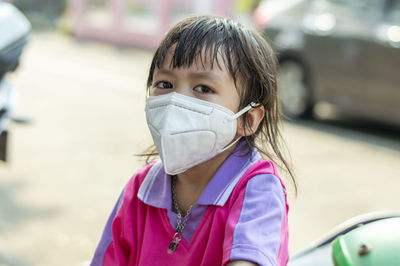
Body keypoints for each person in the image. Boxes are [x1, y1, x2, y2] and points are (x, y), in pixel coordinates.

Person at [90, 15, 296, 266]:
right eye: (165, 84)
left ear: (248, 120)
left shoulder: (257, 189)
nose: (177, 101)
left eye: (203, 88)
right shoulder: (140, 189)